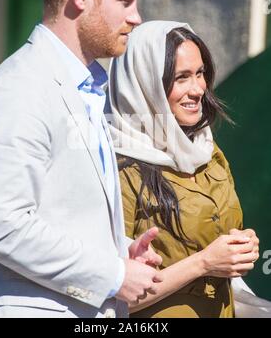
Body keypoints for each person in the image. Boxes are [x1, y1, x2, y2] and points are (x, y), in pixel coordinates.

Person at [0, 0, 164, 319]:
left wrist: (119, 251)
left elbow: (62, 214)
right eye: (125, 1)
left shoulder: (84, 87)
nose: (136, 17)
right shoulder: (19, 88)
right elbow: (3, 225)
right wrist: (113, 275)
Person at [107, 21, 260, 318]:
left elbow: (220, 235)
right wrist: (204, 262)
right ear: (145, 85)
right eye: (181, 78)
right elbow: (112, 293)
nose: (197, 89)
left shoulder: (207, 151)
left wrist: (241, 246)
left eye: (200, 73)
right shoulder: (117, 168)